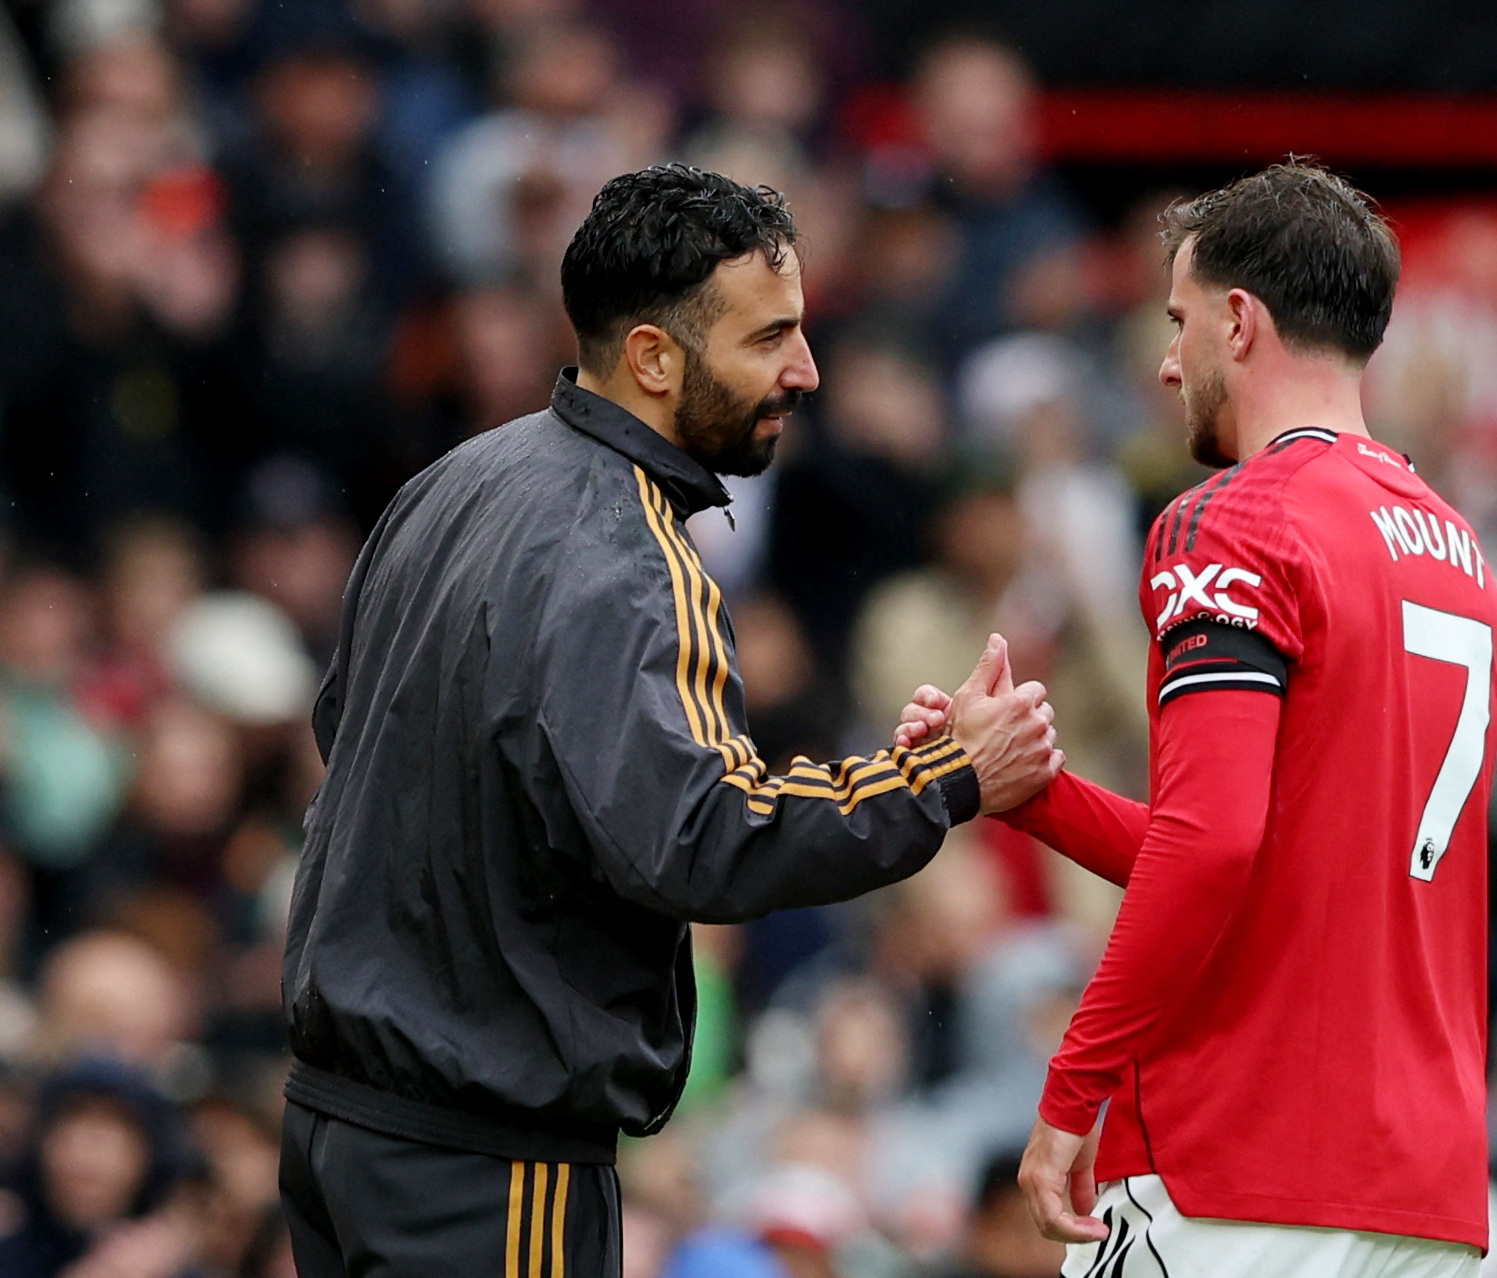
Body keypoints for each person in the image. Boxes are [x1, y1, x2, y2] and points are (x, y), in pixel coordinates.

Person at [278, 164, 1062, 1277]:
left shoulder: (452, 481)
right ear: (652, 356)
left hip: (341, 1129)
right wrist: (938, 777)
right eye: (768, 339)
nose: (806, 369)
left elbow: (345, 728)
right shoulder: (631, 553)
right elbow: (701, 836)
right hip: (490, 1161)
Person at [899, 162, 1497, 1274]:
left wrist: (1071, 1084)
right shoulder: (1458, 553)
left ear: (1240, 320)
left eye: (1177, 322)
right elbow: (1257, 861)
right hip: (1421, 1193)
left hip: (1236, 1157)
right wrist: (1022, 790)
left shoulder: (1230, 522)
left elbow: (1210, 843)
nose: (1169, 361)